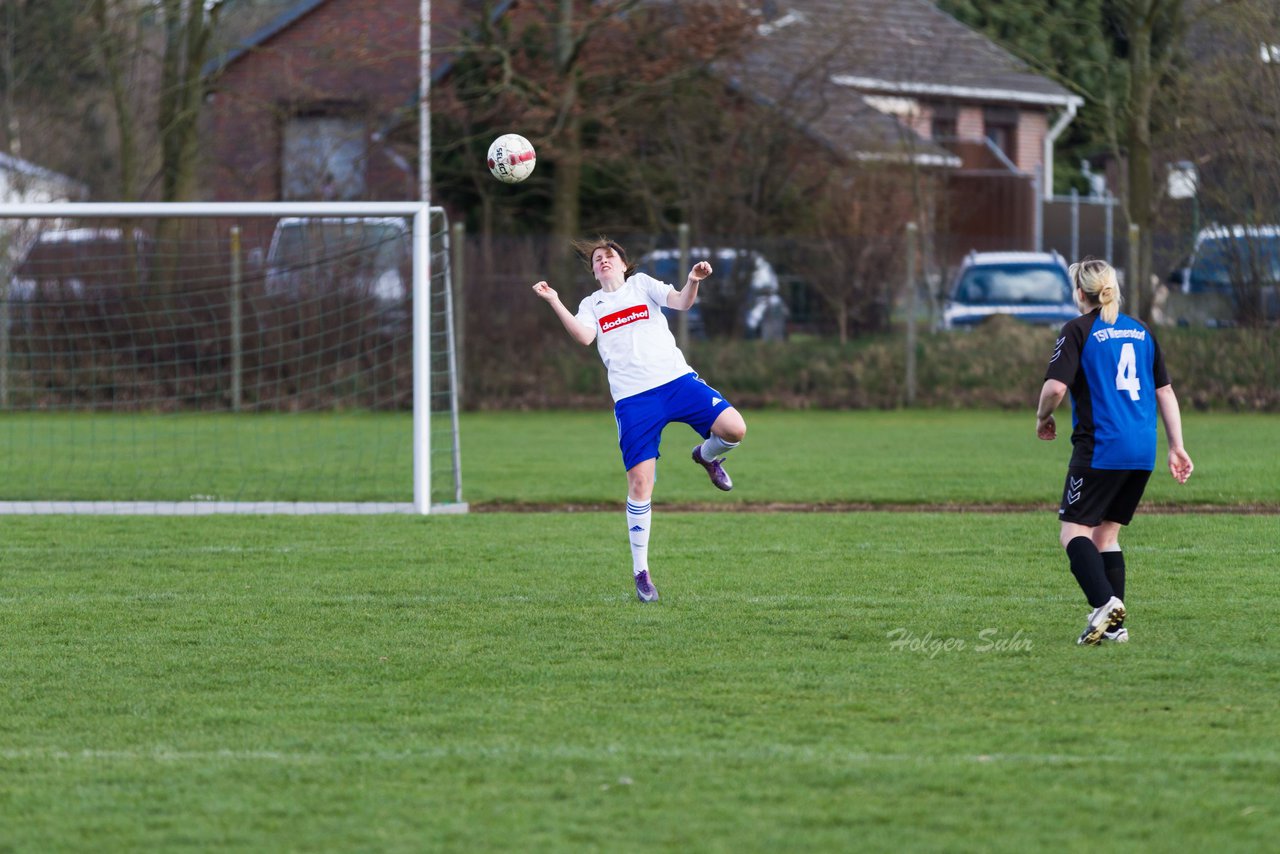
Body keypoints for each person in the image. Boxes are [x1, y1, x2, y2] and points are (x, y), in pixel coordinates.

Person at [532, 238, 747, 602]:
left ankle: (706, 456)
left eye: (609, 256)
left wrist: (693, 280)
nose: (603, 261)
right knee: (640, 485)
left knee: (734, 429)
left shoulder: (643, 285)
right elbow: (584, 337)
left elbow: (680, 302)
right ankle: (641, 572)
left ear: (623, 264)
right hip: (634, 400)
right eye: (597, 259)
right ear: (594, 270)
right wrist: (555, 301)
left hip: (676, 382)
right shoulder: (591, 304)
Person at [1036, 258, 1194, 645]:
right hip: (1142, 450)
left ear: (1080, 293)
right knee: (1106, 537)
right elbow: (1165, 392)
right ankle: (1115, 628)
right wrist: (1177, 446)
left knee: (1073, 532)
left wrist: (1042, 418)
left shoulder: (1077, 330)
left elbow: (1056, 388)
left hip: (1101, 448)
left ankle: (1105, 604)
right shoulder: (1142, 331)